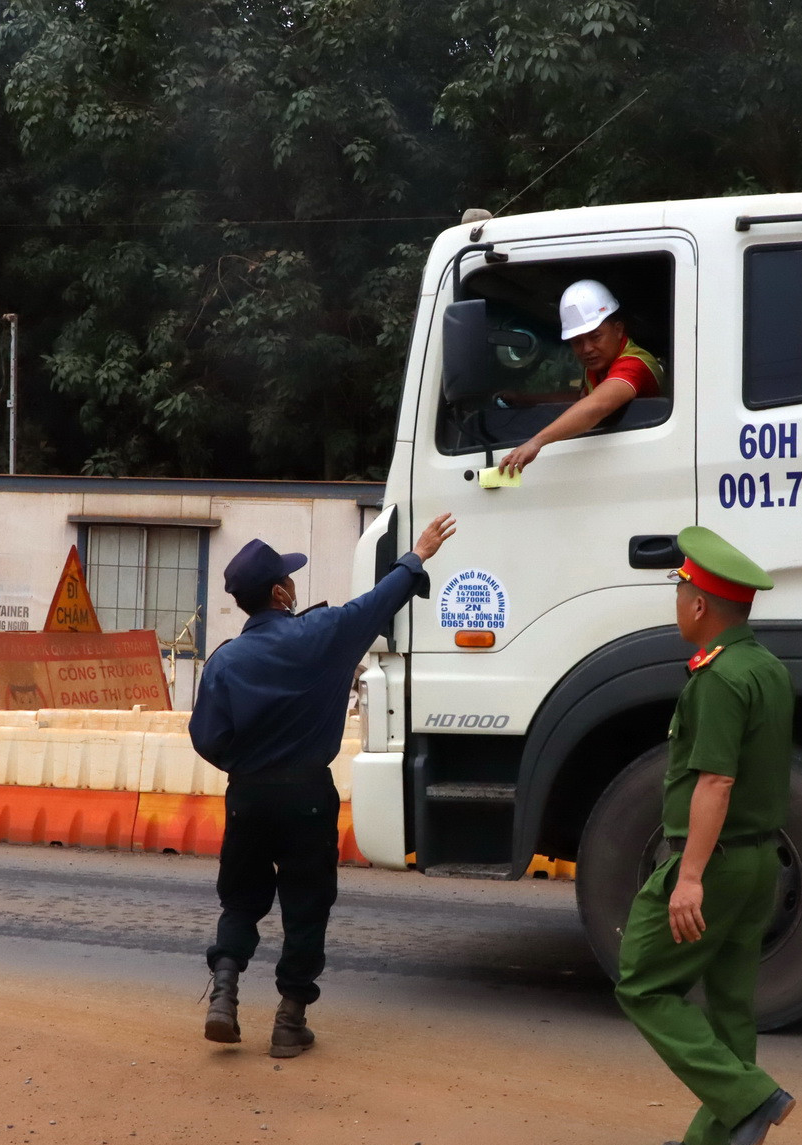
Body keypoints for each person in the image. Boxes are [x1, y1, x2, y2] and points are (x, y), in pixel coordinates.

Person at [189, 512, 457, 1057]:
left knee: (241, 899)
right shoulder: (323, 634)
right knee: (307, 905)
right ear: (281, 591)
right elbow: (377, 604)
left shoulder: (224, 662)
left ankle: (224, 990)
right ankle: (289, 1023)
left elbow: (205, 737)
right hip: (309, 795)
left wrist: (246, 765)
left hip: (249, 794)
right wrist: (419, 554)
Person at [613, 525, 797, 1145]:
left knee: (641, 980)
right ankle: (716, 1140)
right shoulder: (767, 668)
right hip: (759, 861)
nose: (678, 602)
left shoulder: (718, 679)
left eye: (681, 590)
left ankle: (749, 1099)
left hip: (715, 865)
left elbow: (716, 780)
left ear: (699, 606)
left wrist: (688, 876)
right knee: (730, 1000)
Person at [498, 279, 663, 475]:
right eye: (577, 342)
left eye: (595, 337)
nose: (587, 349)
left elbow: (596, 405)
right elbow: (581, 398)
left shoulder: (635, 364)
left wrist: (536, 442)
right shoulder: (598, 366)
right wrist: (525, 399)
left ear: (618, 330)